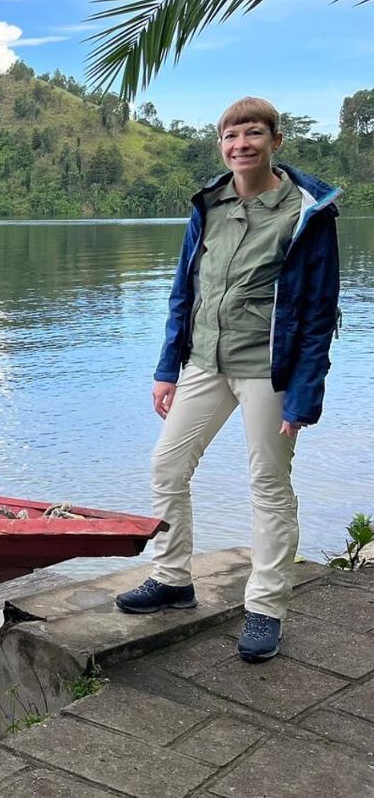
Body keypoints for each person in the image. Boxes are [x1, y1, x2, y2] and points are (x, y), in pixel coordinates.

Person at [115, 97, 341, 664]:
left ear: (276, 140)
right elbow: (184, 291)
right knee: (168, 464)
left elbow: (318, 313)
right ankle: (172, 578)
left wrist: (305, 392)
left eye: (253, 134)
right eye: (230, 136)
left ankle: (266, 607)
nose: (241, 144)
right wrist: (169, 367)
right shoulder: (209, 206)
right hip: (205, 363)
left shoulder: (306, 213)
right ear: (221, 144)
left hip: (271, 371)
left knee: (268, 484)